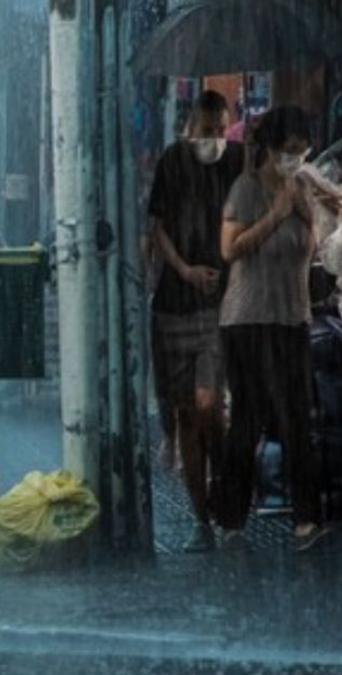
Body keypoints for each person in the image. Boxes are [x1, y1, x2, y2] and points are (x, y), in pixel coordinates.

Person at [219, 105, 341, 552]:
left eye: (301, 150)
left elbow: (332, 215)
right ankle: (231, 520)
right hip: (249, 319)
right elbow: (231, 249)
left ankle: (307, 523)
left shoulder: (302, 184)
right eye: (289, 151)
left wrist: (312, 196)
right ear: (270, 149)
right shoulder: (246, 190)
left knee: (298, 421)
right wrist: (275, 213)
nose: (295, 157)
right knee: (249, 420)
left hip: (293, 317)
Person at [147, 90, 246, 552]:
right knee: (188, 413)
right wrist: (184, 269)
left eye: (219, 131)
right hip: (175, 303)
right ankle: (201, 517)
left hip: (221, 303)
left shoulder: (241, 161)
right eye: (205, 131)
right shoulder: (172, 162)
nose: (213, 139)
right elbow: (157, 227)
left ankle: (228, 494)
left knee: (210, 405)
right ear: (190, 128)